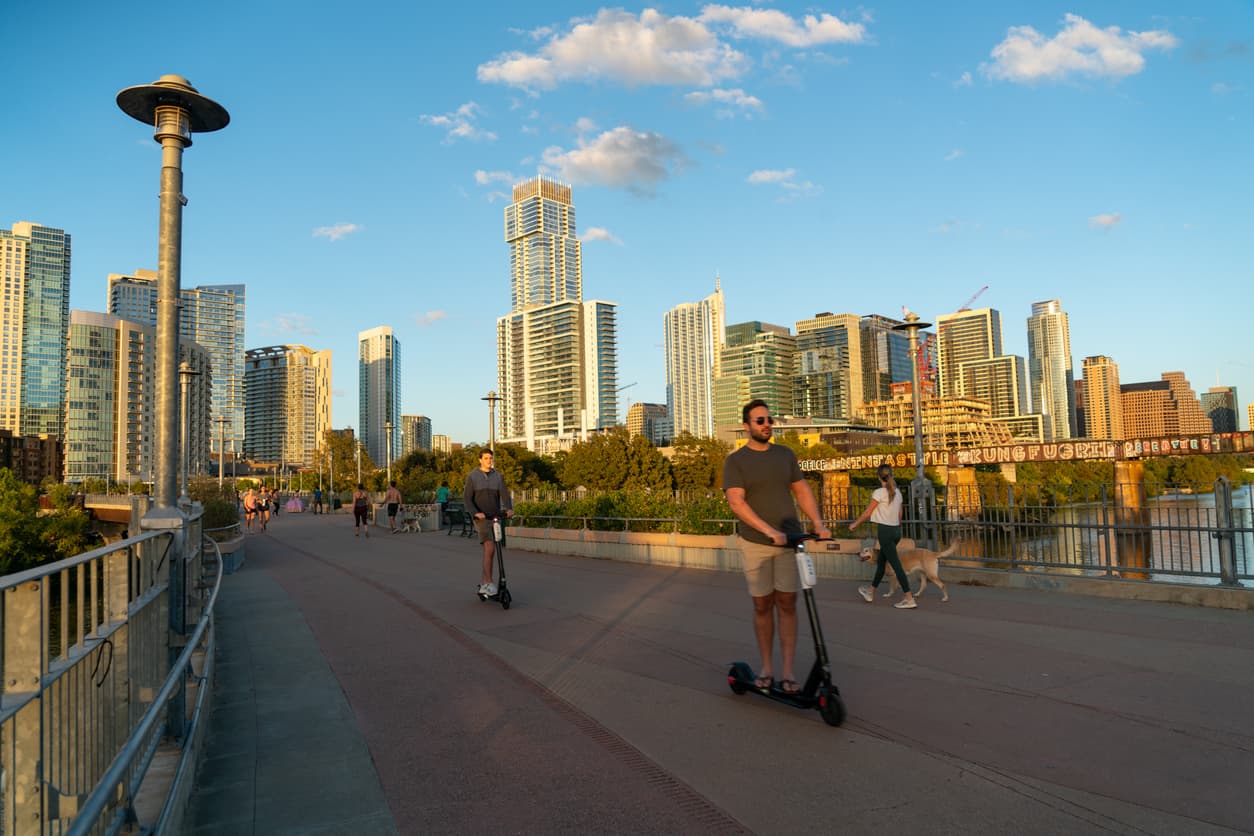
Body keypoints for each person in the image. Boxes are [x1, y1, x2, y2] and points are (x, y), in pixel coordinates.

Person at [723, 399, 831, 694]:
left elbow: (802, 491)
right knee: (762, 605)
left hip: (789, 541)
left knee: (787, 603)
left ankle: (787, 672)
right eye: (759, 420)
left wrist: (818, 524)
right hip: (756, 543)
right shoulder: (736, 461)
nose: (766, 424)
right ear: (746, 426)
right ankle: (767, 668)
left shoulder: (785, 455)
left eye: (769, 419)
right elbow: (736, 502)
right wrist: (768, 530)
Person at [851, 464, 917, 609]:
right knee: (881, 563)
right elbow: (900, 514)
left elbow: (868, 512)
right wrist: (895, 526)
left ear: (878, 476)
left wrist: (855, 524)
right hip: (896, 531)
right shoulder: (898, 493)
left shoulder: (879, 492)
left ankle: (909, 599)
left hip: (885, 532)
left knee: (897, 566)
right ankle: (870, 592)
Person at [463, 449, 513, 596]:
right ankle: (488, 582)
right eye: (486, 458)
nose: (489, 461)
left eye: (491, 458)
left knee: (493, 550)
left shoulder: (498, 476)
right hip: (481, 518)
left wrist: (509, 508)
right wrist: (475, 513)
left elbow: (505, 494)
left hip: (495, 516)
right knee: (490, 548)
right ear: (480, 460)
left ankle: (485, 583)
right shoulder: (472, 476)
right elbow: (467, 498)